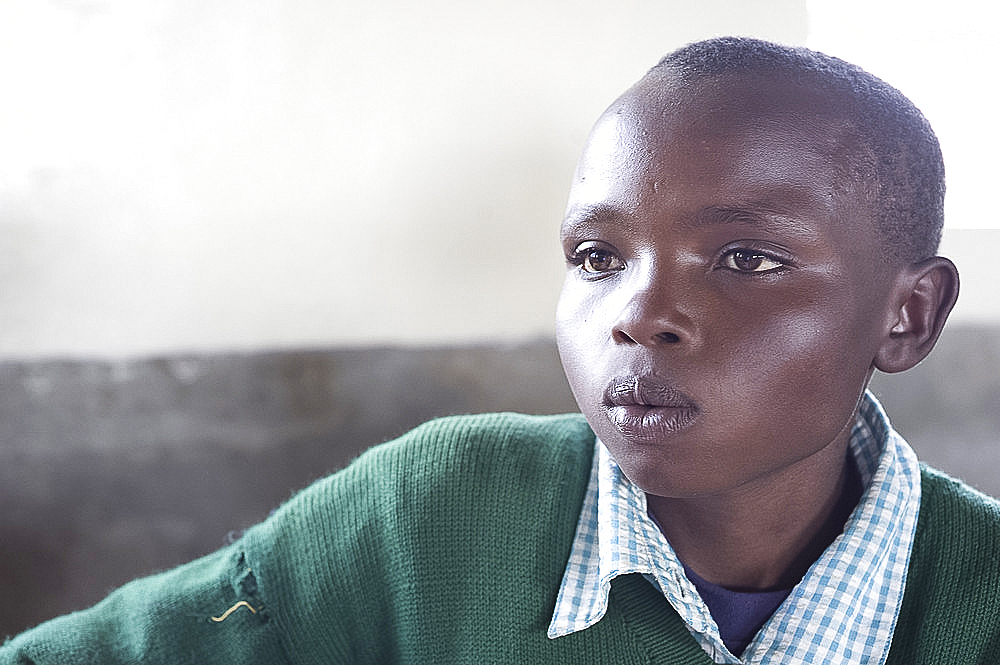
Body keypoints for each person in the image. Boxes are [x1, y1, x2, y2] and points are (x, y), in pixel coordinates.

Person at [3, 36, 998, 664]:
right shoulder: (433, 513)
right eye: (599, 256)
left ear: (904, 316)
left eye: (744, 256)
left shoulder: (976, 595)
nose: (639, 314)